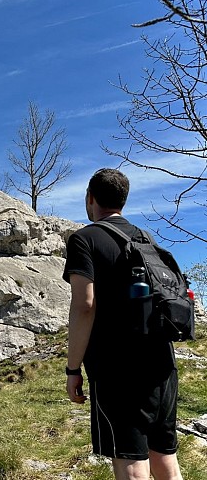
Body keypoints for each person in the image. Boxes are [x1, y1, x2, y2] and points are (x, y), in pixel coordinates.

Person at [63, 168, 183, 480]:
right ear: (123, 201)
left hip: (119, 371)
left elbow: (85, 305)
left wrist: (73, 369)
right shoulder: (145, 239)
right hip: (163, 363)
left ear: (90, 198)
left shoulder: (84, 239)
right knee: (165, 459)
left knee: (131, 465)